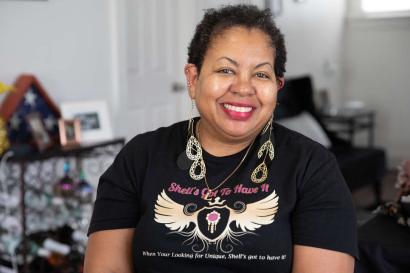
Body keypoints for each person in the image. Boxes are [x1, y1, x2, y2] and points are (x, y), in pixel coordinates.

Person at [84, 4, 358, 273]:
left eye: (261, 74)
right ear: (193, 79)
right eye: (226, 70)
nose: (242, 88)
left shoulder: (313, 167)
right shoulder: (140, 156)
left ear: (277, 87)